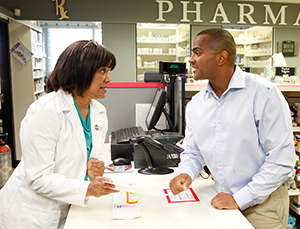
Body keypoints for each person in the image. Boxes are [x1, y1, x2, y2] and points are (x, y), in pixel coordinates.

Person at [169, 28, 296, 229]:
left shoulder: (263, 94)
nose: (191, 59)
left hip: (263, 204)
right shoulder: (196, 104)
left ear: (221, 57)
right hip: (221, 199)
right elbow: (193, 152)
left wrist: (240, 198)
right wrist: (186, 173)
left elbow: (282, 160)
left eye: (198, 52)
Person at [0, 40, 120, 229]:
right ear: (81, 72)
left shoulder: (98, 111)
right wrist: (88, 188)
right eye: (102, 71)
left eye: (108, 72)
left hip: (68, 208)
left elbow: (88, 157)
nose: (108, 79)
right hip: (32, 213)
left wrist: (92, 170)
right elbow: (38, 178)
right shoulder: (46, 110)